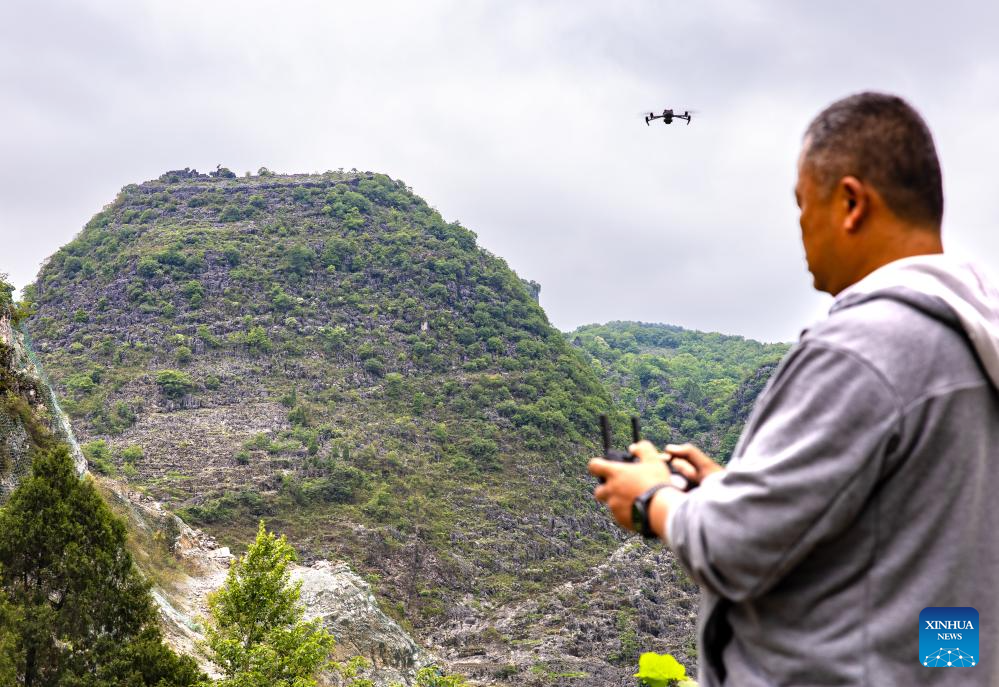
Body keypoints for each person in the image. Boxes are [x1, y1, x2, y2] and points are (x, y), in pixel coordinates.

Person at [589, 92, 999, 686]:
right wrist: (727, 487)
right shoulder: (971, 338)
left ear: (851, 203)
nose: (801, 227)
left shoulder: (865, 348)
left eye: (803, 205)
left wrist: (652, 498)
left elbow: (735, 547)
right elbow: (900, 531)